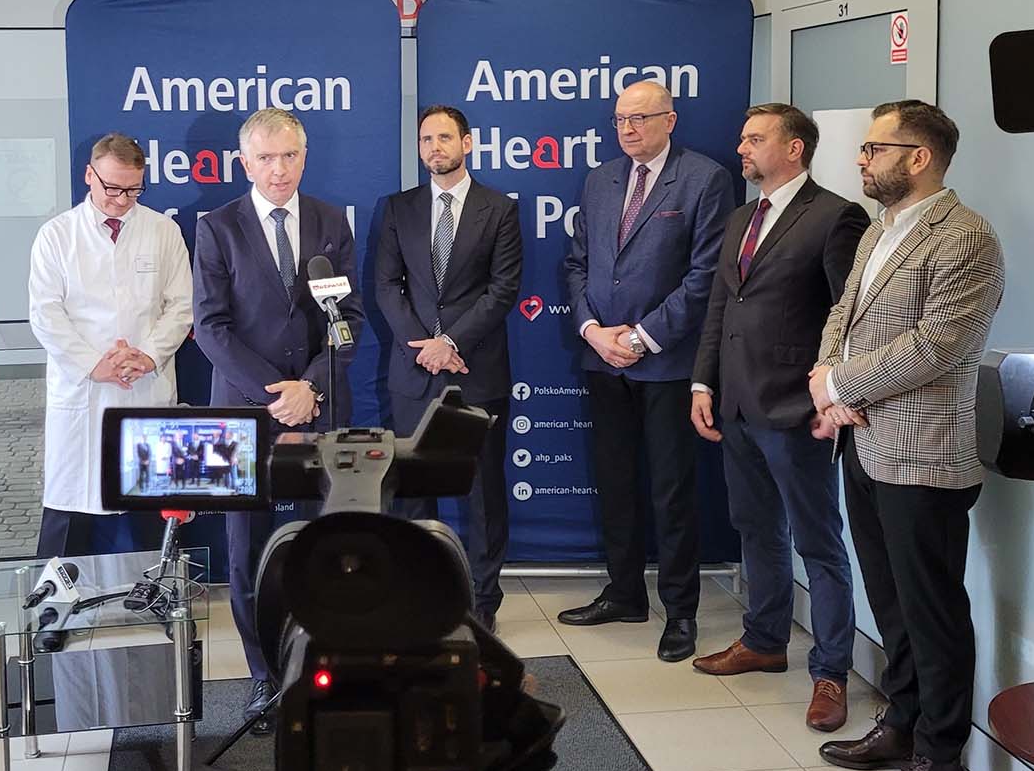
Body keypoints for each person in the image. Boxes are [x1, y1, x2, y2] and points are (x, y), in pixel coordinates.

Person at [810, 100, 1005, 771]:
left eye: (874, 149)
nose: (861, 160)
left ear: (918, 158)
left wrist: (840, 386)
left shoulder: (966, 237)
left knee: (932, 611)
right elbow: (843, 314)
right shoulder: (879, 228)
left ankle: (941, 760)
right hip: (863, 442)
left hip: (924, 453)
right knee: (889, 600)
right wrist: (827, 380)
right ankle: (901, 723)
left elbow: (936, 346)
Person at [690, 103, 868, 732]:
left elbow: (850, 316)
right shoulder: (741, 218)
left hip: (797, 407)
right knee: (755, 528)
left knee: (818, 542)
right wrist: (703, 381)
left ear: (794, 148)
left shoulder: (836, 216)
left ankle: (831, 671)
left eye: (755, 139)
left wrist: (836, 397)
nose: (742, 148)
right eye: (742, 138)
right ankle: (765, 641)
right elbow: (721, 307)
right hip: (737, 402)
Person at [193, 107, 364, 734]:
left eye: (290, 155)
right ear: (245, 163)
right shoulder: (216, 228)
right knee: (247, 551)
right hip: (246, 415)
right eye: (266, 158)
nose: (279, 169)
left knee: (326, 542)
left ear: (304, 157)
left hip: (322, 407)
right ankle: (264, 674)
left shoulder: (331, 221)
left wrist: (310, 388)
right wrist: (278, 396)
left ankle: (322, 664)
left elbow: (349, 319)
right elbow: (211, 327)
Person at [559, 79, 735, 662]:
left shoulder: (705, 179)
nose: (628, 129)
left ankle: (680, 611)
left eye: (639, 118)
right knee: (615, 483)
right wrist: (593, 331)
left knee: (671, 491)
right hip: (602, 360)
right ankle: (625, 593)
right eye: (619, 120)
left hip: (666, 363)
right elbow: (578, 265)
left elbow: (705, 277)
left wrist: (641, 337)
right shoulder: (600, 179)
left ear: (670, 119)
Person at [372, 104, 523, 630]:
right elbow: (386, 286)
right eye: (425, 139)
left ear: (467, 143)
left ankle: (484, 601)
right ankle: (424, 591)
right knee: (414, 491)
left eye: (444, 137)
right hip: (414, 372)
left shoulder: (499, 209)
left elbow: (503, 288)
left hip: (476, 371)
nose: (434, 148)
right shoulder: (398, 208)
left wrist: (451, 342)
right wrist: (426, 347)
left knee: (483, 495)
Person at [28, 132, 193, 558]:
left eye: (133, 190)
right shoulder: (57, 235)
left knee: (151, 516)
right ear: (89, 175)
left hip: (145, 386)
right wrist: (92, 364)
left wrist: (148, 355)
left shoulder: (163, 230)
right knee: (71, 513)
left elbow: (181, 306)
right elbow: (46, 314)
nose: (122, 200)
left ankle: (159, 592)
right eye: (112, 188)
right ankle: (57, 598)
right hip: (83, 392)